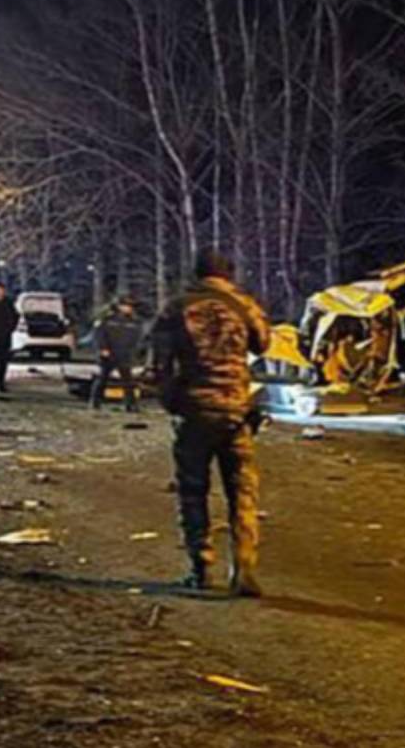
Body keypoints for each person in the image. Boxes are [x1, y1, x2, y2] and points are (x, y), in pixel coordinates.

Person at [153, 250, 271, 597]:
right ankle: (245, 568)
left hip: (195, 411)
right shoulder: (243, 304)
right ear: (227, 273)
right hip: (236, 413)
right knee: (243, 491)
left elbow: (159, 364)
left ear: (197, 272)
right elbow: (264, 343)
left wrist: (170, 399)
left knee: (193, 491)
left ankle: (201, 567)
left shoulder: (177, 307)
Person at [90, 296, 146, 412]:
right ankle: (95, 402)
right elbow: (99, 335)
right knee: (102, 379)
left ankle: (131, 404)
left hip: (125, 354)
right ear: (119, 306)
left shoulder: (135, 321)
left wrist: (136, 352)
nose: (128, 308)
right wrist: (103, 348)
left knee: (128, 381)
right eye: (126, 306)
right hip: (109, 353)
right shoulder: (107, 319)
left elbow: (138, 339)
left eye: (130, 306)